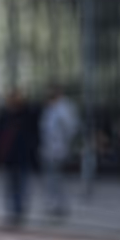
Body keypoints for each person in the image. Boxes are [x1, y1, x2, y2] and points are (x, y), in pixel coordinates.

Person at [0, 89, 39, 228]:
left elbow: (34, 134)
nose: (11, 101)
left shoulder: (28, 114)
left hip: (23, 156)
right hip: (8, 157)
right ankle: (12, 213)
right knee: (10, 186)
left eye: (15, 99)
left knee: (22, 185)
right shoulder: (4, 115)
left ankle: (19, 212)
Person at [37, 87, 79, 218]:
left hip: (58, 149)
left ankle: (59, 204)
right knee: (51, 178)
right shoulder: (50, 109)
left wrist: (63, 143)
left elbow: (70, 128)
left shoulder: (64, 109)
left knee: (56, 178)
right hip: (49, 148)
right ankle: (54, 203)